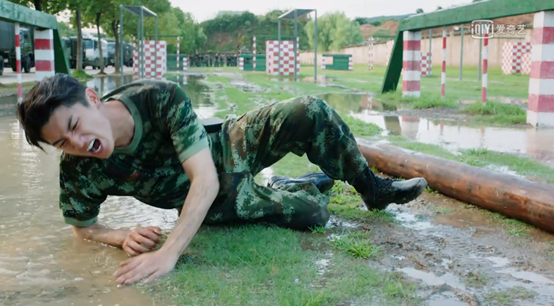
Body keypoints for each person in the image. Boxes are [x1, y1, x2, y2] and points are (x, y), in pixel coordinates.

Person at [16, 74, 427, 286]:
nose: (77, 142)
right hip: (212, 202)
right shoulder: (79, 168)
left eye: (74, 124)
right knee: (316, 214)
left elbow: (204, 177)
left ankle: (372, 189)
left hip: (223, 146)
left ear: (91, 99)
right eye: (61, 143)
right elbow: (82, 228)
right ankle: (290, 186)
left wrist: (169, 252)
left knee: (308, 110)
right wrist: (120, 234)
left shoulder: (157, 96)